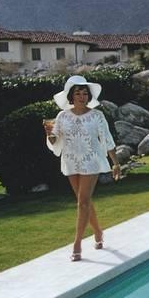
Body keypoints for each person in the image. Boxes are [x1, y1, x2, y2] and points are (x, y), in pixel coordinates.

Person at [45, 75, 119, 262]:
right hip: (70, 161)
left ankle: (77, 243)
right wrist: (49, 134)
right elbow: (55, 141)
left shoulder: (97, 116)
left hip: (91, 160)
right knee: (83, 201)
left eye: (85, 93)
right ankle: (98, 231)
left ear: (89, 96)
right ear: (71, 95)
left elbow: (107, 139)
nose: (82, 96)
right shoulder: (62, 116)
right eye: (78, 93)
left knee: (83, 201)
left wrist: (116, 163)